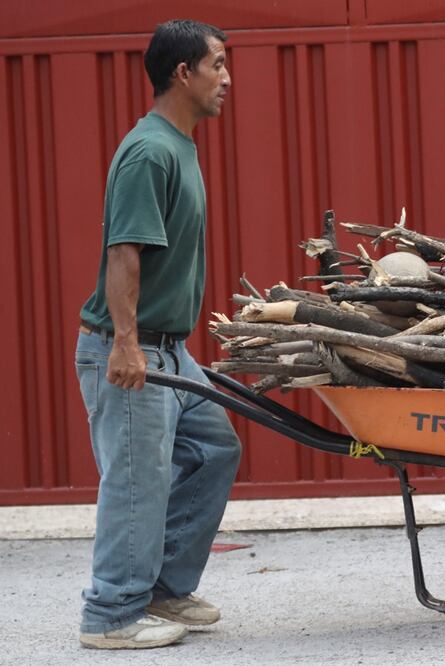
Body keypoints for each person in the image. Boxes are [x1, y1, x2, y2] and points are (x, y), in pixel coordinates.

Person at [74, 19, 240, 650]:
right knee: (137, 479)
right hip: (133, 345)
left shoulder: (178, 144)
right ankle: (111, 614)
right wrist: (124, 343)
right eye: (217, 65)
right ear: (183, 73)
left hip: (169, 348)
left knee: (213, 450)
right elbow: (125, 254)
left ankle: (164, 589)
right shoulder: (150, 152)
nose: (226, 79)